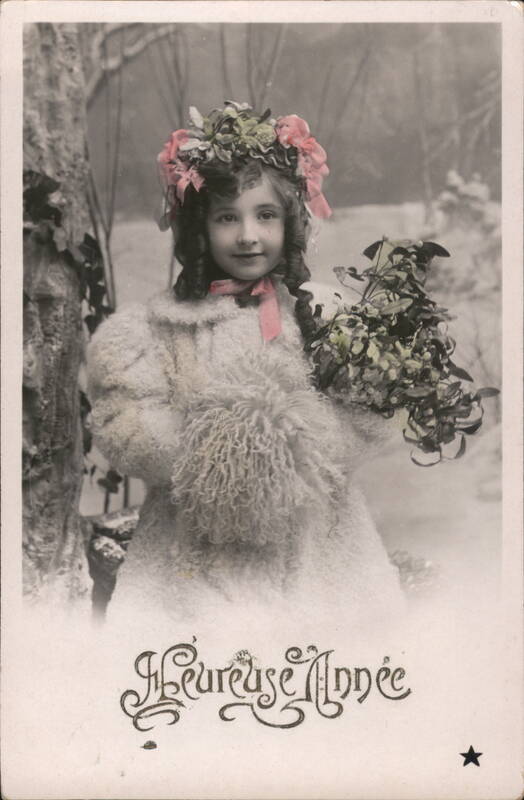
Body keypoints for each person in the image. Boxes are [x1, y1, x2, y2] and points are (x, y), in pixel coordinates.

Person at [86, 102, 405, 628]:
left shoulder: (325, 316)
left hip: (322, 550)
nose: (248, 236)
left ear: (291, 221)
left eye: (265, 215)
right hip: (188, 558)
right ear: (198, 226)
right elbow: (124, 425)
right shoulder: (154, 329)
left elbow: (372, 417)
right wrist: (224, 447)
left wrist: (292, 444)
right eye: (227, 217)